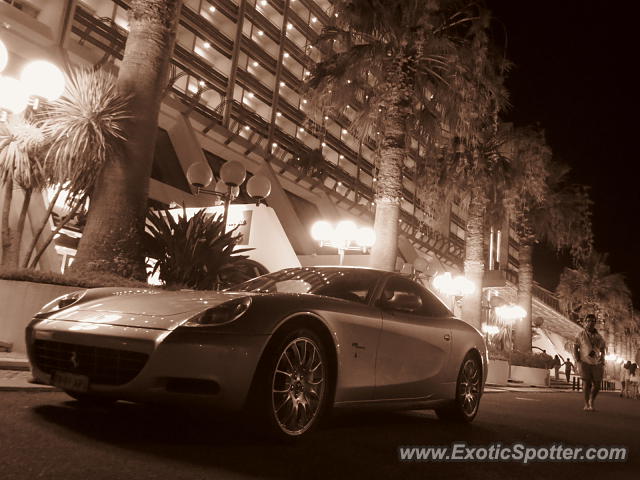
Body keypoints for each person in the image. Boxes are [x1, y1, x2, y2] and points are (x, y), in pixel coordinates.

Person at [574, 314, 606, 411]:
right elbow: (576, 347)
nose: (590, 323)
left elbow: (603, 349)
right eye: (588, 321)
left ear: (595, 323)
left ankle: (592, 400)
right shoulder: (580, 335)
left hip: (596, 363)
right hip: (584, 362)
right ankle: (586, 403)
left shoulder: (599, 337)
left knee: (597, 384)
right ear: (585, 322)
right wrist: (578, 360)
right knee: (586, 383)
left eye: (593, 321)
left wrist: (602, 359)